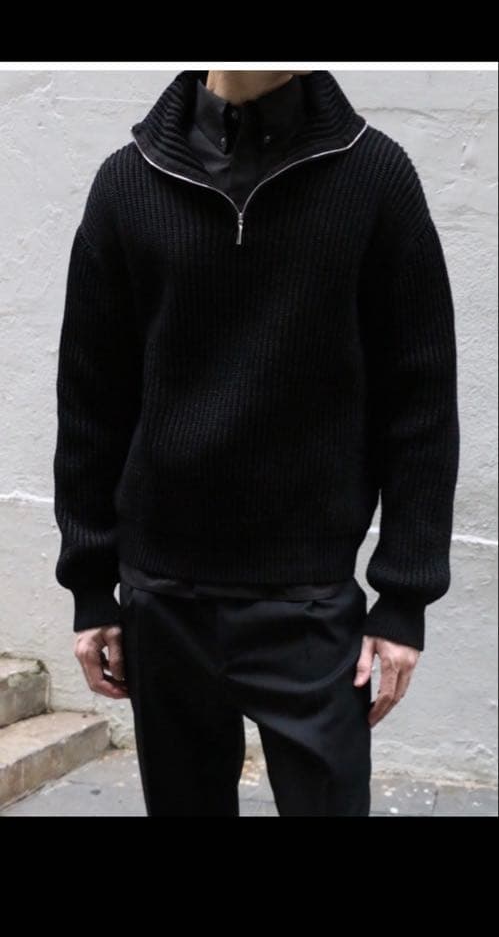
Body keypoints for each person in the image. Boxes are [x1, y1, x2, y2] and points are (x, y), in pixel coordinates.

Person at [53, 69, 460, 817]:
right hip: (161, 600)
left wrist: (404, 599)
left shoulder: (373, 175)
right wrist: (90, 586)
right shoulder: (128, 182)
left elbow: (420, 402)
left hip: (309, 605)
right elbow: (90, 402)